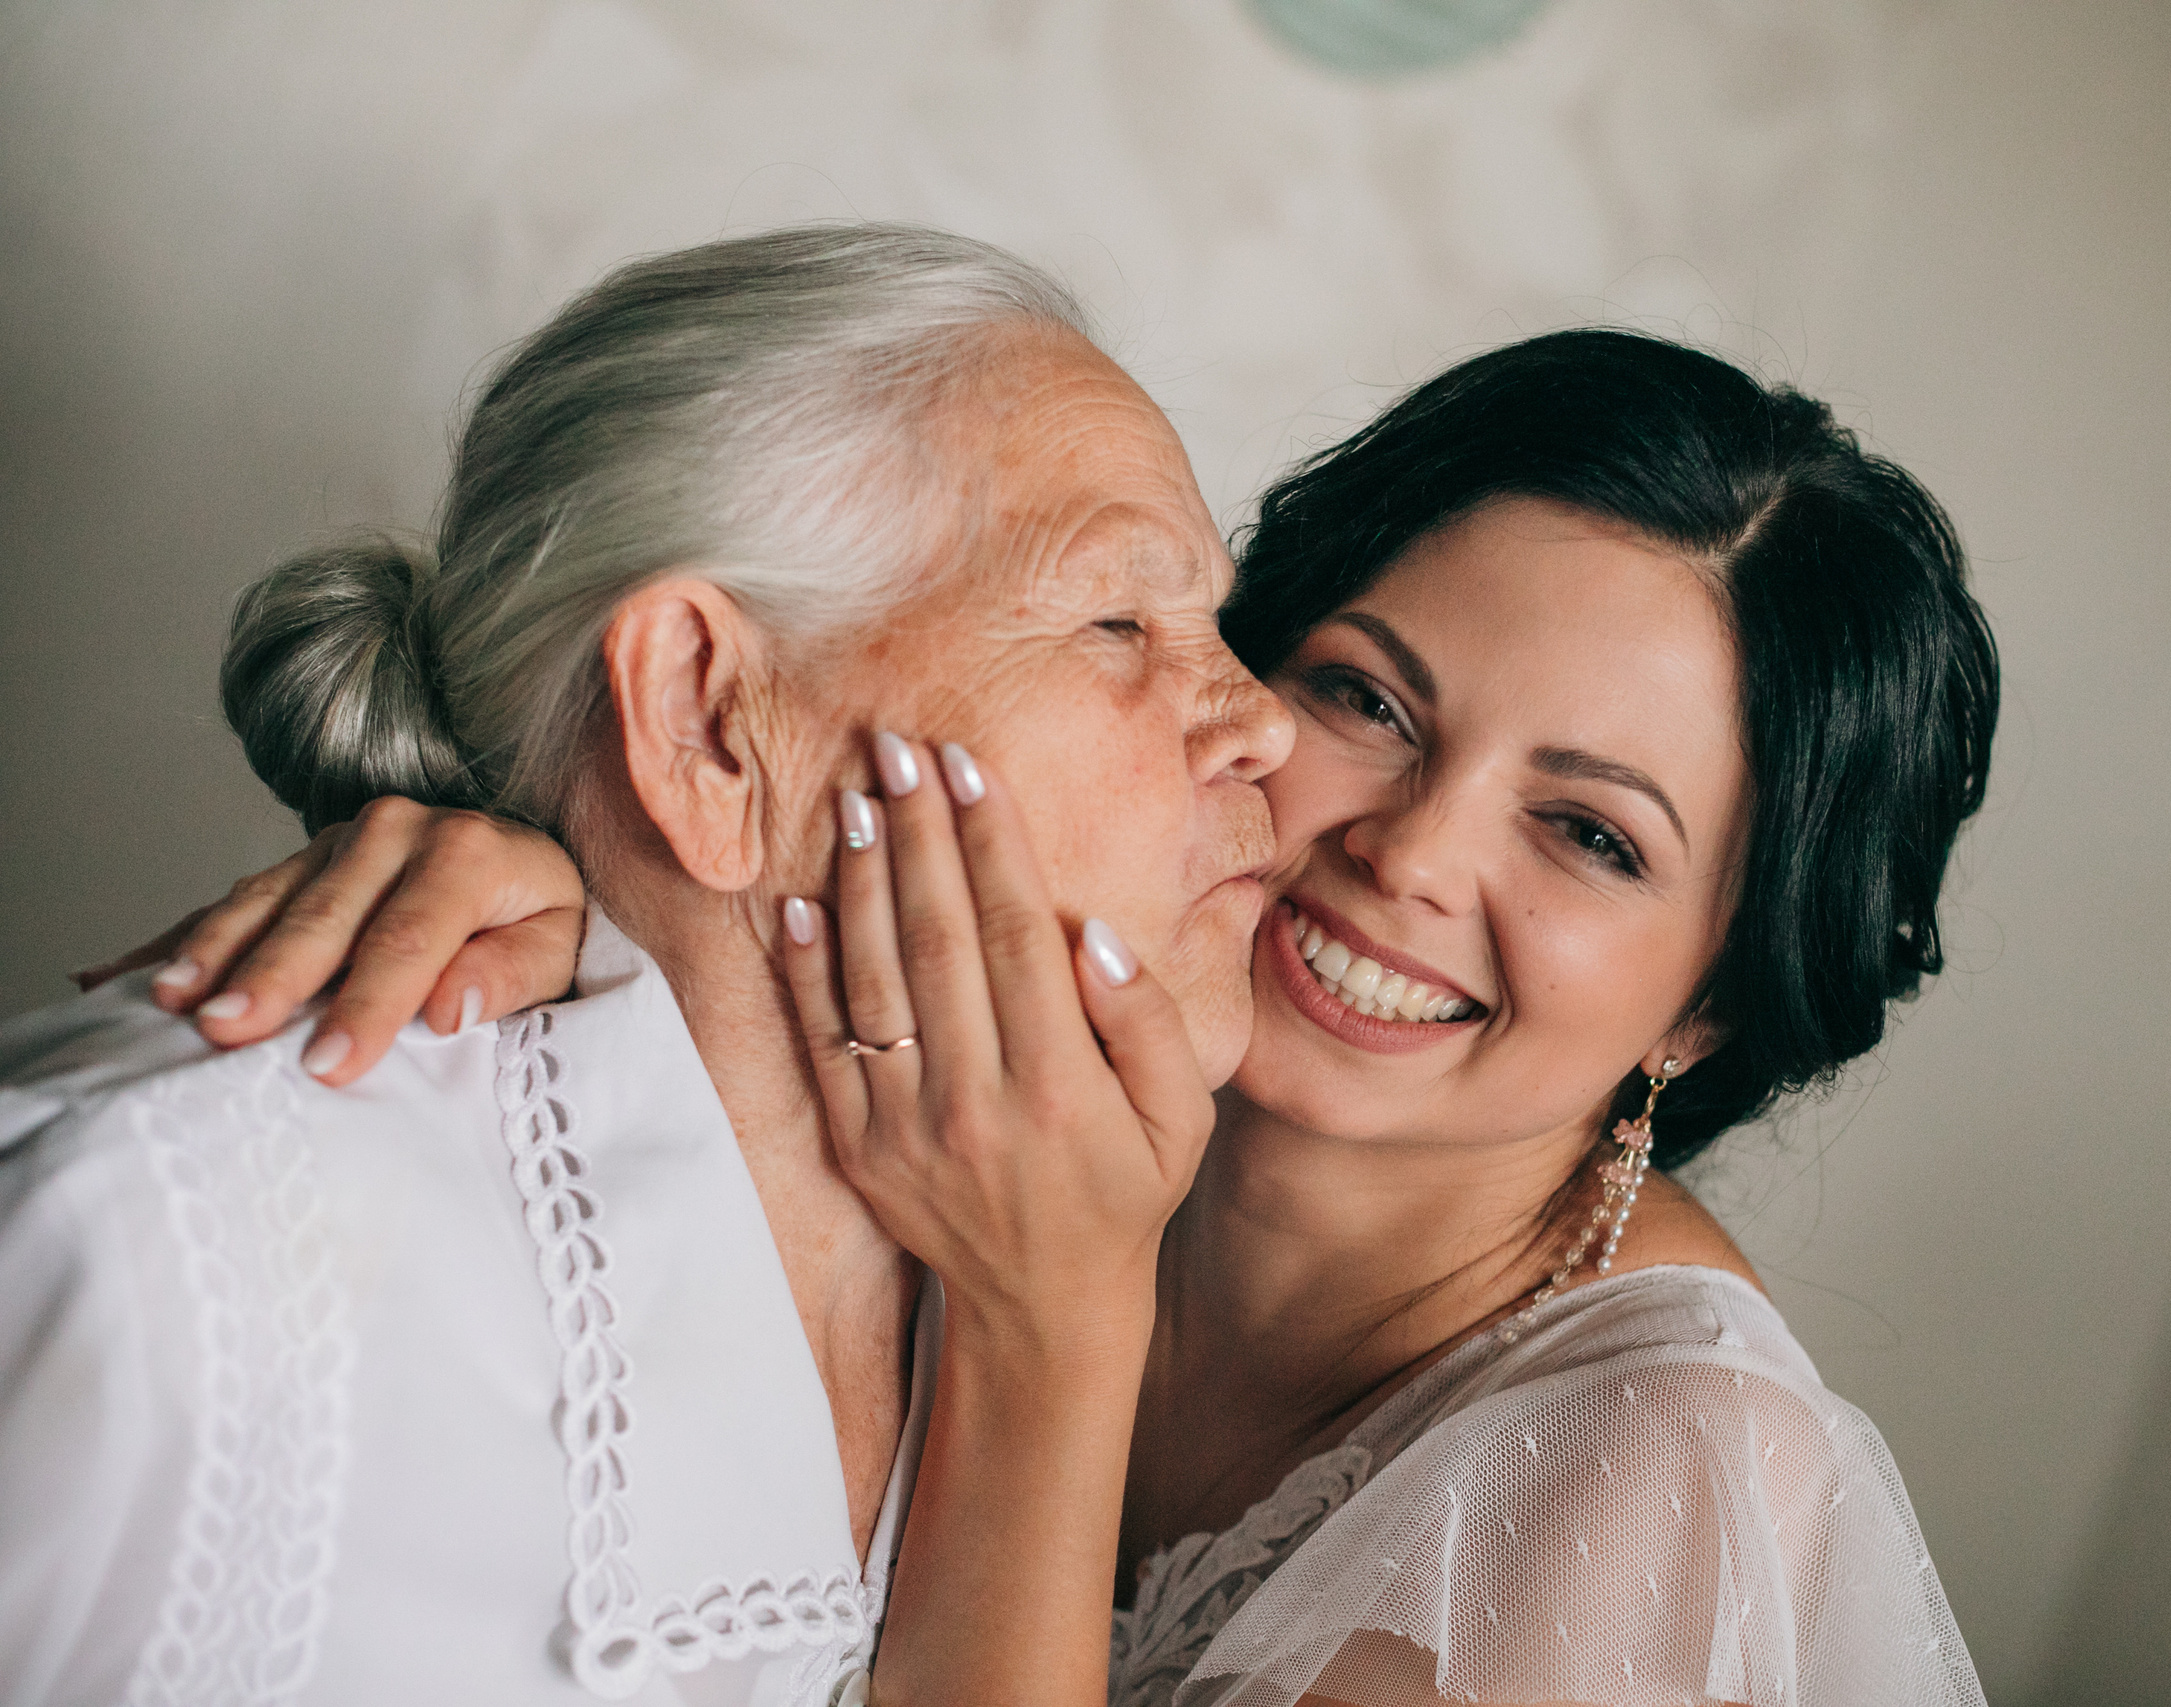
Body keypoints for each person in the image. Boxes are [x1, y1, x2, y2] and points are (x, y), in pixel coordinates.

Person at [127, 328, 1998, 1704]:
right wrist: (545, 865)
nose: (1408, 851)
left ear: (1716, 1005)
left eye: (1588, 834)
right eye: (1369, 699)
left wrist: (1054, 1321)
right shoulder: (1031, 1053)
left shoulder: (1654, 1484)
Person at [0, 223, 1294, 1705]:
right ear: (706, 725)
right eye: (1118, 617)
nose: (1262, 722)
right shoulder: (173, 1256)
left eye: (1220, 624)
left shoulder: (1049, 1259)